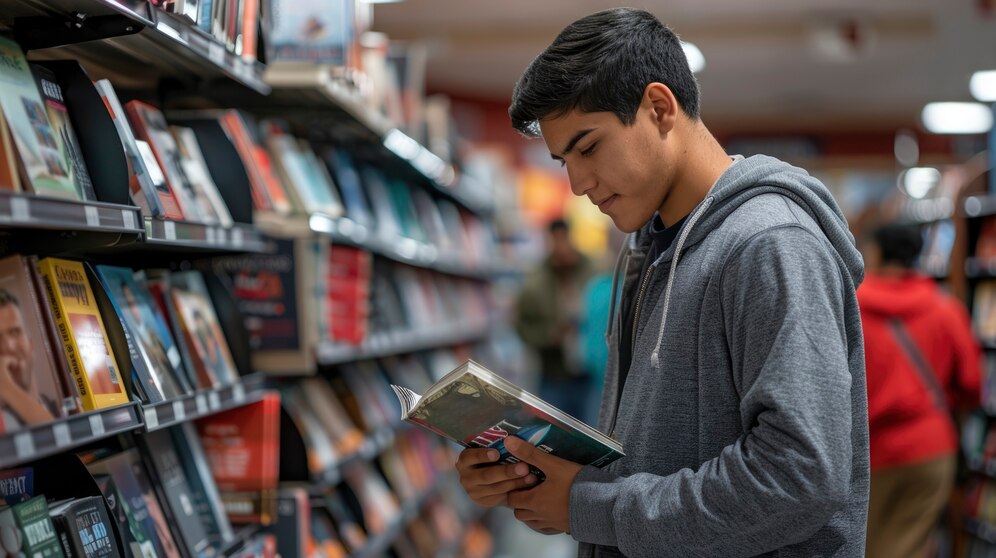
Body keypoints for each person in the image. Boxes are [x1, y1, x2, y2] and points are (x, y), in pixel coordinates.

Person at [455, 8, 869, 557]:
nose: (577, 183)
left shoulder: (770, 244)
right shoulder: (645, 247)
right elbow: (654, 452)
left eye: (588, 147)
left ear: (658, 107)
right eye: (563, 161)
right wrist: (536, 475)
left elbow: (798, 479)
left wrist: (589, 506)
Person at [859, 223, 980, 558]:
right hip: (931, 448)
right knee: (908, 546)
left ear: (877, 253)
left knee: (863, 545)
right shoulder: (945, 309)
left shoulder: (850, 308)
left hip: (869, 452)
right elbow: (972, 383)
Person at [513, 218, 595, 421]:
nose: (560, 246)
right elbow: (522, 327)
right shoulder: (535, 281)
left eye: (563, 239)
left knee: (592, 432)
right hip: (553, 375)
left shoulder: (592, 271)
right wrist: (549, 336)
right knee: (554, 432)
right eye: (555, 240)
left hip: (589, 373)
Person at [0, 288, 57, 429]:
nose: (9, 347)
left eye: (15, 332)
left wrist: (7, 389)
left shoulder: (58, 410)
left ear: (31, 344)